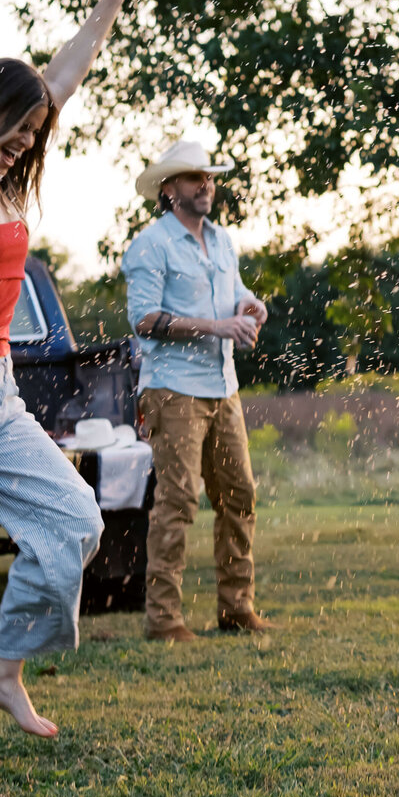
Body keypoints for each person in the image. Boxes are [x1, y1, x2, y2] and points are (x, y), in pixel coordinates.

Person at [0, 0, 129, 738]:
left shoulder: (3, 183)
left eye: (33, 128)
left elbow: (63, 76)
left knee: (75, 520)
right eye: (16, 125)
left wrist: (110, 1)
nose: (27, 139)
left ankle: (1, 672)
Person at [122, 140, 271, 642]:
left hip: (223, 388)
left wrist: (251, 306)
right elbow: (144, 320)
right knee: (178, 500)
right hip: (172, 390)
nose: (205, 184)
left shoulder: (223, 240)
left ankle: (237, 609)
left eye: (208, 176)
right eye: (193, 177)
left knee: (239, 496)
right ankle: (164, 620)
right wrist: (218, 326)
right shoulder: (150, 245)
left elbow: (234, 294)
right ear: (169, 189)